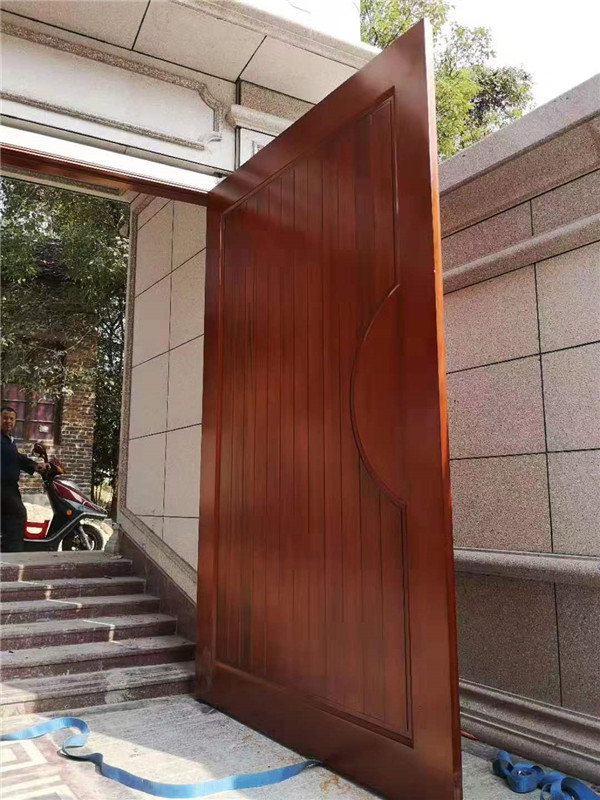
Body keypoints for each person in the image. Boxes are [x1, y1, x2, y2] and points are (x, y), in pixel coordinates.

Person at [1, 406, 46, 552]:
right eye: (5, 418)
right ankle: (12, 552)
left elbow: (16, 458)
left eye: (12, 419)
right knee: (18, 513)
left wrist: (34, 466)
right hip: (2, 487)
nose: (8, 421)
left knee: (8, 517)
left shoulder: (8, 439)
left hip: (10, 487)